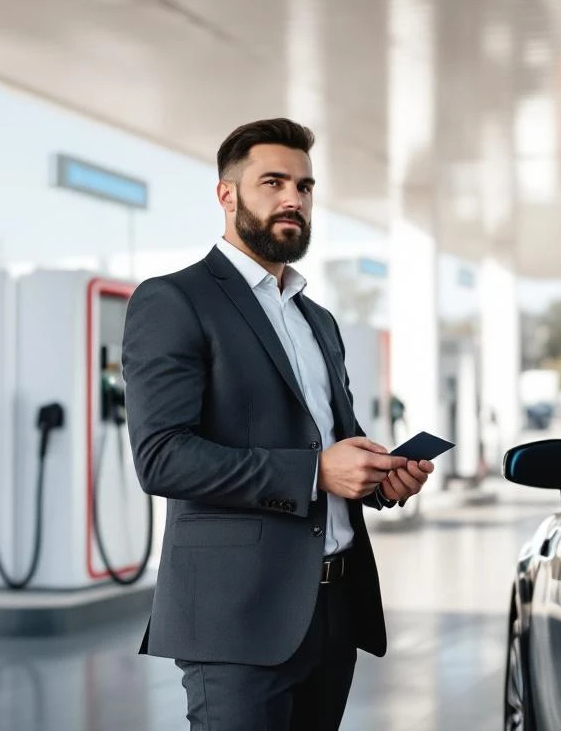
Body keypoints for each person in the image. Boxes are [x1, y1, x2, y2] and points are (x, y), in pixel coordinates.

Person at [121, 117, 434, 730]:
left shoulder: (319, 319)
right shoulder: (174, 301)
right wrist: (317, 471)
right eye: (273, 182)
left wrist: (378, 477)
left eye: (305, 186)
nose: (294, 198)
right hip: (237, 618)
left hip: (333, 609)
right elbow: (161, 457)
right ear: (227, 194)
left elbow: (330, 449)